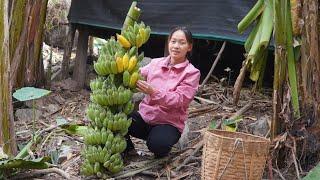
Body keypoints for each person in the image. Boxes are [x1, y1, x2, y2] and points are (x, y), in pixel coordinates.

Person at [125, 26, 201, 158]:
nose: (176, 46)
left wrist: (153, 92)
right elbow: (137, 74)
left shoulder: (192, 73)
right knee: (118, 117)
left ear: (189, 47)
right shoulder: (155, 64)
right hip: (145, 118)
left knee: (158, 145)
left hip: (168, 123)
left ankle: (158, 142)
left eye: (182, 43)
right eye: (173, 41)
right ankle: (128, 150)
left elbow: (179, 100)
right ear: (168, 43)